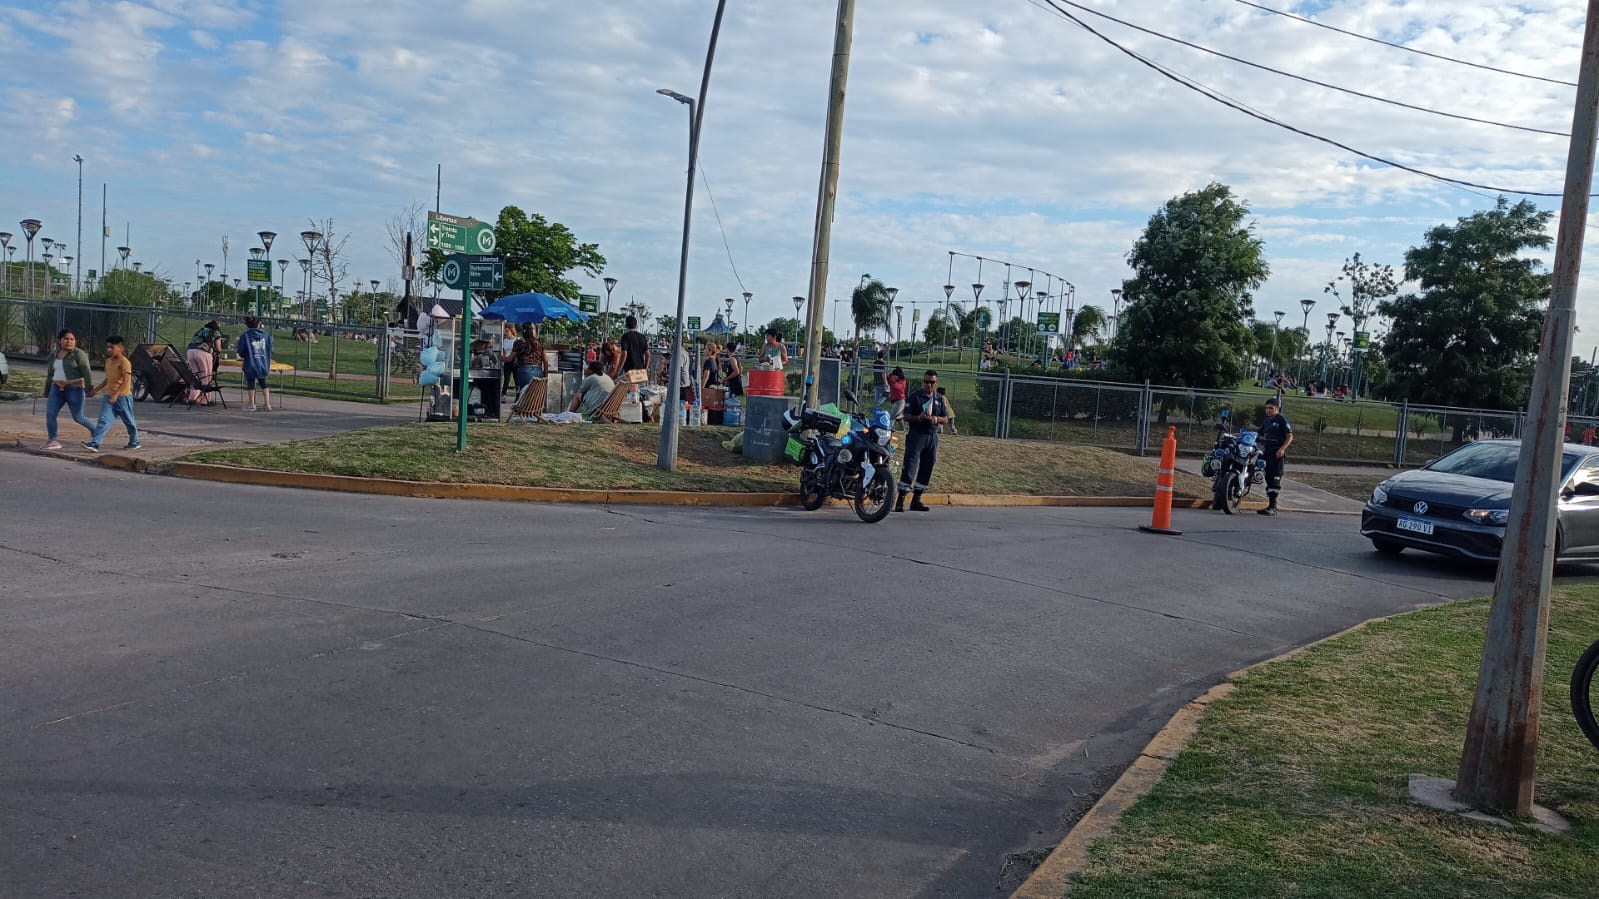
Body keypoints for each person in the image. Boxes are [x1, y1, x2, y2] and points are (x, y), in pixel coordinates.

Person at [896, 370, 949, 513]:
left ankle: (916, 500)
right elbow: (905, 416)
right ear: (923, 381)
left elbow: (945, 418)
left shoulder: (939, 399)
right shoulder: (915, 397)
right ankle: (900, 500)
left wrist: (937, 419)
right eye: (926, 381)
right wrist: (918, 418)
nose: (929, 385)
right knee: (910, 466)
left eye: (932, 382)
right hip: (916, 435)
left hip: (932, 437)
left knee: (928, 465)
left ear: (936, 383)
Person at [82, 335, 140, 452]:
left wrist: (116, 395)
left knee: (129, 421)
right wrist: (96, 390)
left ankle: (134, 442)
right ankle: (95, 444)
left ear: (121, 348)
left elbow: (126, 382)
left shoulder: (125, 362)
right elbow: (108, 379)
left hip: (123, 398)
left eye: (112, 347)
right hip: (109, 396)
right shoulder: (108, 361)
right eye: (107, 347)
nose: (109, 350)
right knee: (104, 420)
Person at [42, 328, 96, 450]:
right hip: (56, 389)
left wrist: (89, 389)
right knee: (50, 414)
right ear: (60, 340)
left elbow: (86, 372)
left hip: (74, 389)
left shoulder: (79, 354)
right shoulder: (54, 355)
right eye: (66, 339)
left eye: (72, 339)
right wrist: (46, 390)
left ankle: (96, 432)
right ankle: (53, 440)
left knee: (78, 417)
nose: (69, 341)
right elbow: (50, 374)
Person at [1257, 397, 1294, 516]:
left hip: (1277, 452)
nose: (1268, 410)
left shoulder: (1281, 419)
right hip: (1267, 451)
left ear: (1277, 408)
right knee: (1268, 477)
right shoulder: (1267, 421)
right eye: (1266, 408)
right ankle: (1270, 505)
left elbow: (1290, 436)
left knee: (1275, 478)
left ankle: (1273, 507)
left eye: (1271, 408)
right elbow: (1258, 433)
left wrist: (1282, 449)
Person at [237, 316, 275, 412]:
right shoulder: (266, 335)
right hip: (263, 362)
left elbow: (241, 351)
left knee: (251, 382)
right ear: (259, 324)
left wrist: (244, 355)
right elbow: (270, 348)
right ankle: (267, 404)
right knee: (263, 382)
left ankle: (252, 404)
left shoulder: (245, 336)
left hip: (251, 362)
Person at [619, 316, 652, 421]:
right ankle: (644, 414)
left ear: (626, 325)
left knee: (632, 393)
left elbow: (624, 353)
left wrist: (619, 367)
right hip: (640, 369)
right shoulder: (642, 337)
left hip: (630, 369)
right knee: (636, 392)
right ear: (636, 325)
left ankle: (638, 416)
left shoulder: (625, 336)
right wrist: (645, 367)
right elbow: (648, 354)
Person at [186, 319, 223, 405]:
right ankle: (205, 400)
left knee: (195, 375)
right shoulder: (215, 332)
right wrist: (218, 353)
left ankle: (193, 398)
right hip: (203, 353)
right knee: (206, 376)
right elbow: (218, 349)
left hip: (190, 352)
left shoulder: (199, 331)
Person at [507, 323, 547, 394]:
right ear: (533, 331)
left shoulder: (519, 343)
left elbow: (510, 359)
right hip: (538, 371)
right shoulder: (540, 342)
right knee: (535, 395)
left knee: (525, 394)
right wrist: (545, 376)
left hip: (524, 371)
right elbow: (545, 361)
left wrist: (500, 357)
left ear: (523, 332)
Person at [500, 325, 519, 395]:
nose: (506, 333)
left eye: (507, 331)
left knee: (516, 379)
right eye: (505, 331)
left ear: (512, 331)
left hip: (515, 362)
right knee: (506, 379)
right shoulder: (504, 340)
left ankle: (518, 395)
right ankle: (503, 394)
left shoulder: (516, 340)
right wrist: (503, 359)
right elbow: (504, 351)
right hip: (507, 361)